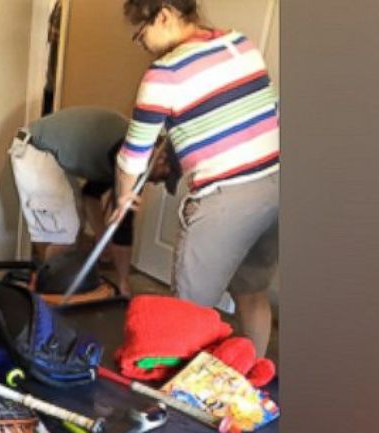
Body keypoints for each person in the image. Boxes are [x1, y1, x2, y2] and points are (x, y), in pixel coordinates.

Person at [109, 0, 280, 356]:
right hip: (276, 187)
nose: (143, 45)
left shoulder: (165, 73)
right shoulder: (240, 45)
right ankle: (248, 386)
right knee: (252, 293)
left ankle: (183, 404)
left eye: (142, 35)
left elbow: (132, 155)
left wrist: (124, 196)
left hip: (225, 202)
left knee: (187, 311)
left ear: (164, 15)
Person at [10, 106, 142, 297]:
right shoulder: (132, 158)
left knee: (72, 223)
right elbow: (124, 226)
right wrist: (123, 283)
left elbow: (90, 195)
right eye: (163, 176)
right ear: (161, 160)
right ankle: (48, 298)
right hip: (36, 149)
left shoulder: (127, 153)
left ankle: (47, 288)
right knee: (64, 231)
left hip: (47, 154)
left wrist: (101, 238)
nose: (157, 182)